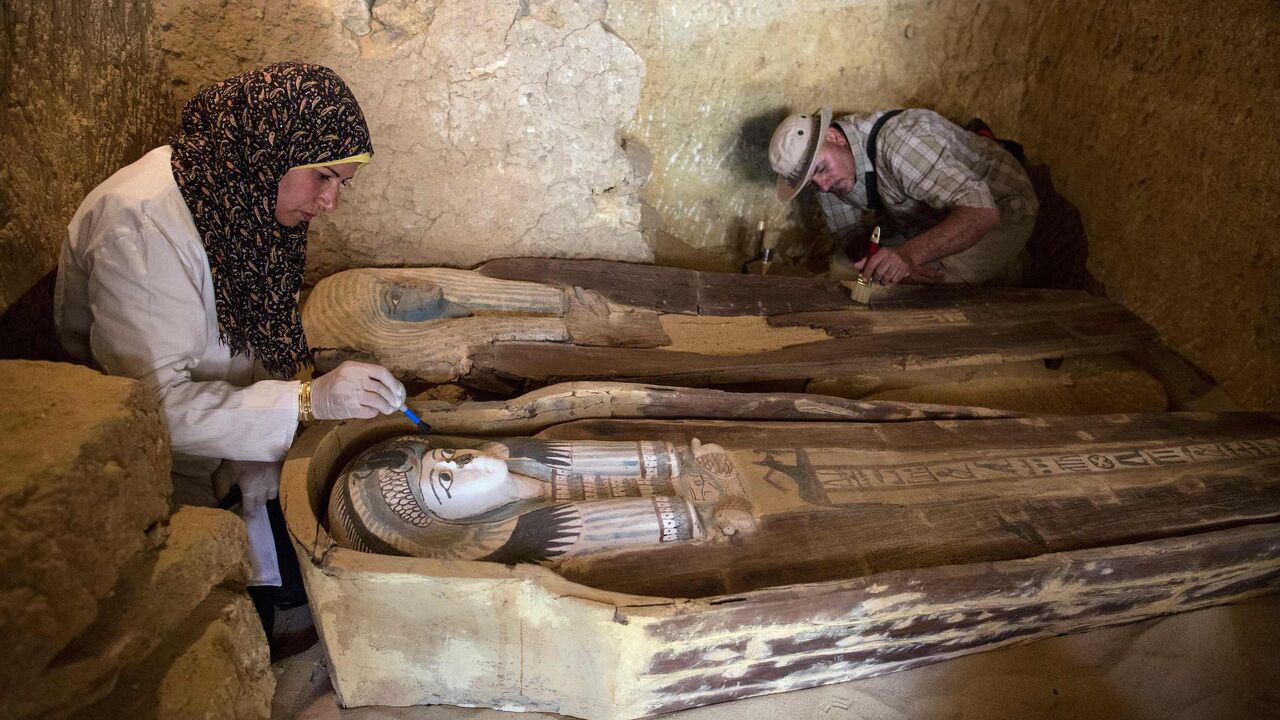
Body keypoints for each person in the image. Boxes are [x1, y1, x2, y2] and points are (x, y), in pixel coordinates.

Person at [54, 62, 407, 634]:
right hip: (168, 465)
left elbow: (261, 325)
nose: (330, 203)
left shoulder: (240, 194)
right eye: (321, 176)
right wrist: (304, 403)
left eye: (343, 183)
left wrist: (299, 398)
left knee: (332, 576)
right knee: (251, 621)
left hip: (234, 442)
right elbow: (148, 414)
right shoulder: (141, 229)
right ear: (267, 150)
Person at [768, 107, 1038, 285]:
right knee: (844, 271)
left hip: (1000, 208)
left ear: (833, 137)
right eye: (812, 183)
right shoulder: (828, 174)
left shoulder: (899, 144)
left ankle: (1012, 268)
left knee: (915, 289)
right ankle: (979, 267)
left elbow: (981, 212)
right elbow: (850, 233)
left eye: (821, 169)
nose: (824, 186)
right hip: (933, 214)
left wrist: (908, 256)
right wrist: (870, 263)